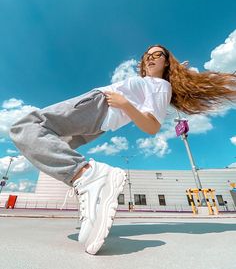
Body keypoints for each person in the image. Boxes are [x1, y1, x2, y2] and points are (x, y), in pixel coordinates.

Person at [9, 44, 236, 255]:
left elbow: (152, 126)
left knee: (26, 126)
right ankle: (91, 192)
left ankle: (87, 176)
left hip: (98, 105)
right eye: (147, 55)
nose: (150, 57)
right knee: (48, 144)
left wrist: (124, 103)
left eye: (158, 54)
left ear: (168, 62)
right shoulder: (155, 85)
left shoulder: (160, 86)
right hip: (100, 120)